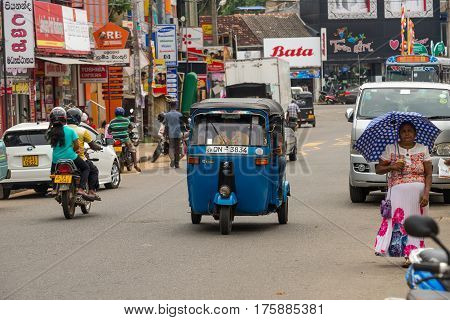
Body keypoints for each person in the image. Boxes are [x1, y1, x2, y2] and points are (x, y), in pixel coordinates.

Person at [374, 122, 432, 267]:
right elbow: (378, 169)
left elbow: (429, 174)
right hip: (397, 194)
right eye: (404, 131)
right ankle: (407, 254)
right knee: (400, 223)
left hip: (418, 195)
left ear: (415, 133)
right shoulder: (391, 148)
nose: (407, 134)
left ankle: (413, 254)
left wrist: (426, 194)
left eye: (410, 131)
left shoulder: (423, 149)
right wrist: (392, 166)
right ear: (399, 134)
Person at [46, 107, 92, 200]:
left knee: (53, 172)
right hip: (71, 157)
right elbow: (76, 146)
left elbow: (52, 144)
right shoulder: (71, 131)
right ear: (65, 118)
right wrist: (74, 150)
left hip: (56, 159)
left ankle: (54, 188)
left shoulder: (50, 132)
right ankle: (81, 189)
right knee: (86, 168)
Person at [67, 107, 102, 201]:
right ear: (78, 118)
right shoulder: (82, 131)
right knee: (93, 170)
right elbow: (92, 145)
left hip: (63, 158)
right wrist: (99, 147)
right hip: (79, 158)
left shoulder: (63, 130)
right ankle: (91, 191)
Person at [108, 107, 141, 172]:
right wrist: (127, 131)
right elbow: (131, 127)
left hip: (116, 140)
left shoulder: (112, 121)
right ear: (123, 113)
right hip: (125, 138)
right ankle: (135, 165)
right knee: (133, 149)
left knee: (111, 151)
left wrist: (114, 132)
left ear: (115, 114)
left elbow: (109, 131)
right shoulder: (126, 120)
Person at [163, 99, 183, 168]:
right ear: (176, 106)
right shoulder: (179, 114)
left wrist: (165, 135)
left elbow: (166, 126)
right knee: (177, 149)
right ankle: (177, 163)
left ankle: (172, 159)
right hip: (177, 134)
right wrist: (182, 133)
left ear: (170, 106)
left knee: (171, 148)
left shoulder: (167, 115)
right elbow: (182, 125)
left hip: (170, 134)